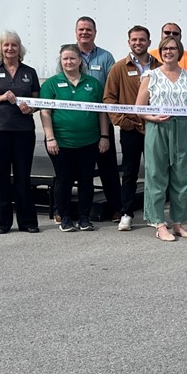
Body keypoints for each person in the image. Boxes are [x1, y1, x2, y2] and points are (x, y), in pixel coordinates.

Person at [135, 36, 187, 242]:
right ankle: (158, 222)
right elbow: (138, 108)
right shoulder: (151, 76)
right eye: (165, 48)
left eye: (173, 48)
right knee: (156, 174)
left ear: (179, 51)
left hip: (183, 128)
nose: (168, 52)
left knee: (182, 175)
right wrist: (152, 117)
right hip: (157, 127)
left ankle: (178, 223)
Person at [0, 31, 41, 234]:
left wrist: (30, 108)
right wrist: (1, 97)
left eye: (14, 45)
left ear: (20, 48)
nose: (10, 48)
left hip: (23, 131)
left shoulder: (29, 72)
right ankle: (2, 222)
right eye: (6, 45)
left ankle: (28, 221)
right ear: (0, 48)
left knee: (23, 176)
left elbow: (37, 101)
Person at [39, 44, 110, 233]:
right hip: (61, 142)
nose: (68, 62)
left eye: (72, 58)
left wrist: (104, 136)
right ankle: (65, 217)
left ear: (80, 61)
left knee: (86, 180)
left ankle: (84, 218)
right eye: (65, 59)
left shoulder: (93, 84)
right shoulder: (51, 84)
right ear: (60, 62)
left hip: (89, 141)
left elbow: (102, 113)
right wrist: (50, 138)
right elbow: (45, 112)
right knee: (64, 180)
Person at [103, 25, 161, 231]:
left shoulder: (159, 67)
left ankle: (155, 214)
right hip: (131, 130)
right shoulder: (119, 68)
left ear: (149, 42)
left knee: (156, 172)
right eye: (134, 40)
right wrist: (122, 121)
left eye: (142, 40)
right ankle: (126, 213)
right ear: (129, 42)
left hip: (156, 128)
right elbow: (109, 98)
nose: (138, 43)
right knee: (130, 172)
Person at [74, 16, 123, 222]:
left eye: (89, 30)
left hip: (101, 122)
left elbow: (113, 87)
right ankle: (67, 209)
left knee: (108, 168)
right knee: (73, 168)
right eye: (81, 29)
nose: (85, 33)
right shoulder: (68, 55)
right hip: (76, 123)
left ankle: (117, 208)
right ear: (76, 32)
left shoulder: (105, 57)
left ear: (95, 32)